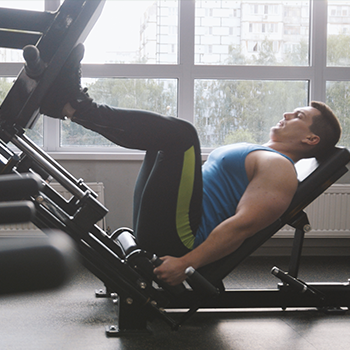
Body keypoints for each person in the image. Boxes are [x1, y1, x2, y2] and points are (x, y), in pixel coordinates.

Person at [40, 44, 342, 286]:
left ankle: (74, 105)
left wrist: (186, 264)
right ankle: (70, 107)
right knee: (159, 135)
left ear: (311, 140)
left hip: (181, 240)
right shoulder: (263, 153)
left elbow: (241, 227)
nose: (288, 114)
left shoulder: (281, 170)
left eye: (299, 117)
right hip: (167, 228)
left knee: (183, 134)